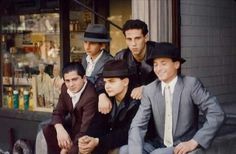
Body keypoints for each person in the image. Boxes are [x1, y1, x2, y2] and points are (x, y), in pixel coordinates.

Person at [127, 42, 225, 154]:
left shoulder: (191, 85)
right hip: (159, 144)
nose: (158, 69)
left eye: (163, 63)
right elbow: (138, 125)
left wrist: (195, 141)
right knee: (126, 150)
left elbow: (217, 113)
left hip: (184, 145)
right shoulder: (150, 89)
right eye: (155, 64)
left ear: (176, 64)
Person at [78, 60, 140, 154]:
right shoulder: (107, 97)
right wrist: (88, 138)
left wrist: (98, 141)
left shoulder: (136, 101)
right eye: (105, 82)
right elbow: (97, 124)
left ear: (125, 82)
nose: (107, 86)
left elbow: (127, 133)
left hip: (129, 143)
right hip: (108, 141)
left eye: (112, 81)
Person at [98, 19, 157, 114]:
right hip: (131, 106)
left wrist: (146, 89)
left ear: (145, 38)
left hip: (156, 103)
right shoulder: (121, 56)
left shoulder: (158, 53)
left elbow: (169, 79)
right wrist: (101, 95)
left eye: (137, 38)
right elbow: (103, 77)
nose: (133, 44)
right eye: (129, 39)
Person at [42, 62, 98, 154]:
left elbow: (85, 129)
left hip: (88, 133)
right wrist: (59, 129)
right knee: (48, 128)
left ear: (84, 78)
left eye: (74, 79)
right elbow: (57, 112)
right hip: (73, 126)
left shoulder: (90, 96)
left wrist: (66, 149)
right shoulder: (65, 88)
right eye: (67, 80)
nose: (71, 84)